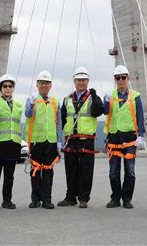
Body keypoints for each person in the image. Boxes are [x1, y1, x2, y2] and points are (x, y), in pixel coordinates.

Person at [57, 67, 104, 209]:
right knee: (70, 169)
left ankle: (83, 198)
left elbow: (97, 112)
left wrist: (95, 98)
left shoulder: (93, 97)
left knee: (86, 170)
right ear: (74, 81)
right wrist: (60, 139)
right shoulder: (67, 99)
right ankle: (70, 197)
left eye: (83, 80)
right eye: (78, 80)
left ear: (88, 81)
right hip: (71, 138)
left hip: (86, 138)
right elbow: (62, 120)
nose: (81, 83)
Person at [103, 65, 145, 209]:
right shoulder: (110, 96)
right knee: (113, 172)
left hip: (130, 137)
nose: (121, 80)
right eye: (118, 78)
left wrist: (141, 135)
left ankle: (127, 199)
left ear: (128, 79)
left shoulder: (135, 96)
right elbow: (105, 111)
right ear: (115, 80)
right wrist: (106, 101)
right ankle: (115, 198)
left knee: (130, 171)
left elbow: (140, 116)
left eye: (123, 77)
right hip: (114, 136)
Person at [24, 70, 62, 209]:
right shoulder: (31, 99)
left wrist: (59, 141)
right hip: (36, 141)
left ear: (50, 85)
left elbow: (58, 122)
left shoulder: (55, 101)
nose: (44, 86)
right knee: (35, 170)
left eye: (47, 83)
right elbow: (27, 114)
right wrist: (33, 103)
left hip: (50, 141)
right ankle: (35, 199)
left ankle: (47, 199)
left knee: (48, 170)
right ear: (37, 84)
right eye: (41, 83)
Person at [0, 74, 23, 210]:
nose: (8, 88)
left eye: (10, 86)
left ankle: (7, 200)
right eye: (5, 86)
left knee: (9, 175)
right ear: (0, 88)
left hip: (13, 144)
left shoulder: (19, 104)